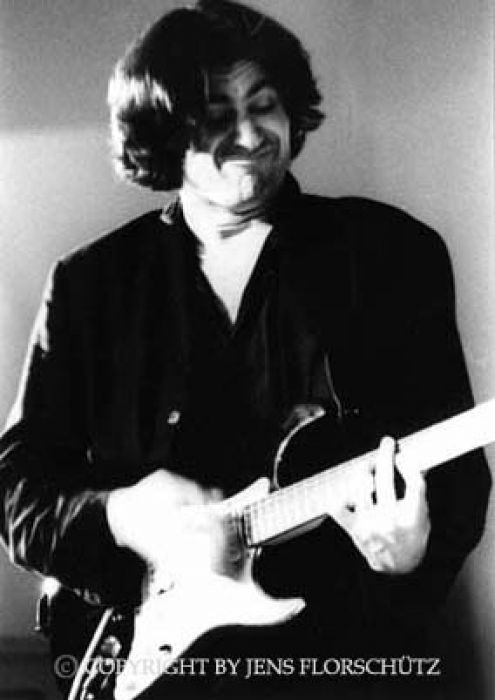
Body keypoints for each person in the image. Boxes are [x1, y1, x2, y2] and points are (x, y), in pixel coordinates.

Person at [0, 0, 491, 698]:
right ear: (164, 138)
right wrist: (120, 512)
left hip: (340, 667)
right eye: (214, 117)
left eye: (264, 105)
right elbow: (16, 491)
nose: (251, 134)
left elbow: (459, 477)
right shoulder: (90, 285)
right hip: (145, 667)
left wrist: (410, 556)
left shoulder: (391, 255)